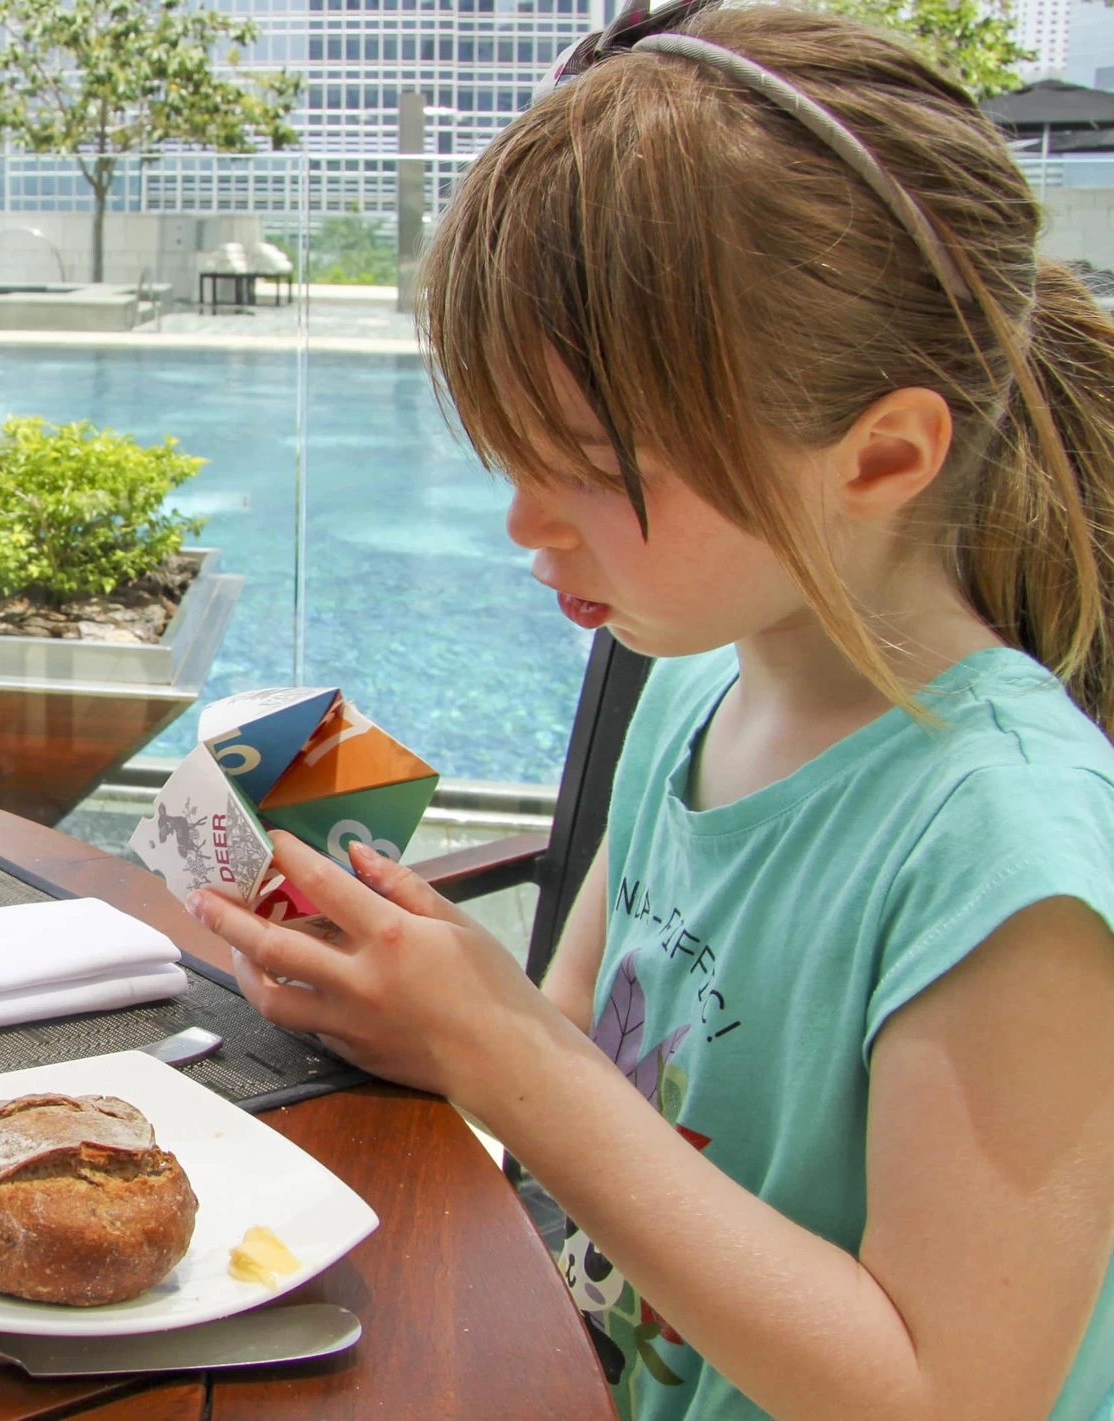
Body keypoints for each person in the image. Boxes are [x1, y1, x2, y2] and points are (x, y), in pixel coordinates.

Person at [183, 4, 1114, 1418]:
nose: (523, 524)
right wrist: (420, 1010)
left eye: (585, 467)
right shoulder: (691, 696)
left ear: (882, 456)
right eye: (506, 454)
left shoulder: (1004, 856)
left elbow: (950, 1392)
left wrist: (502, 1049)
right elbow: (575, 1066)